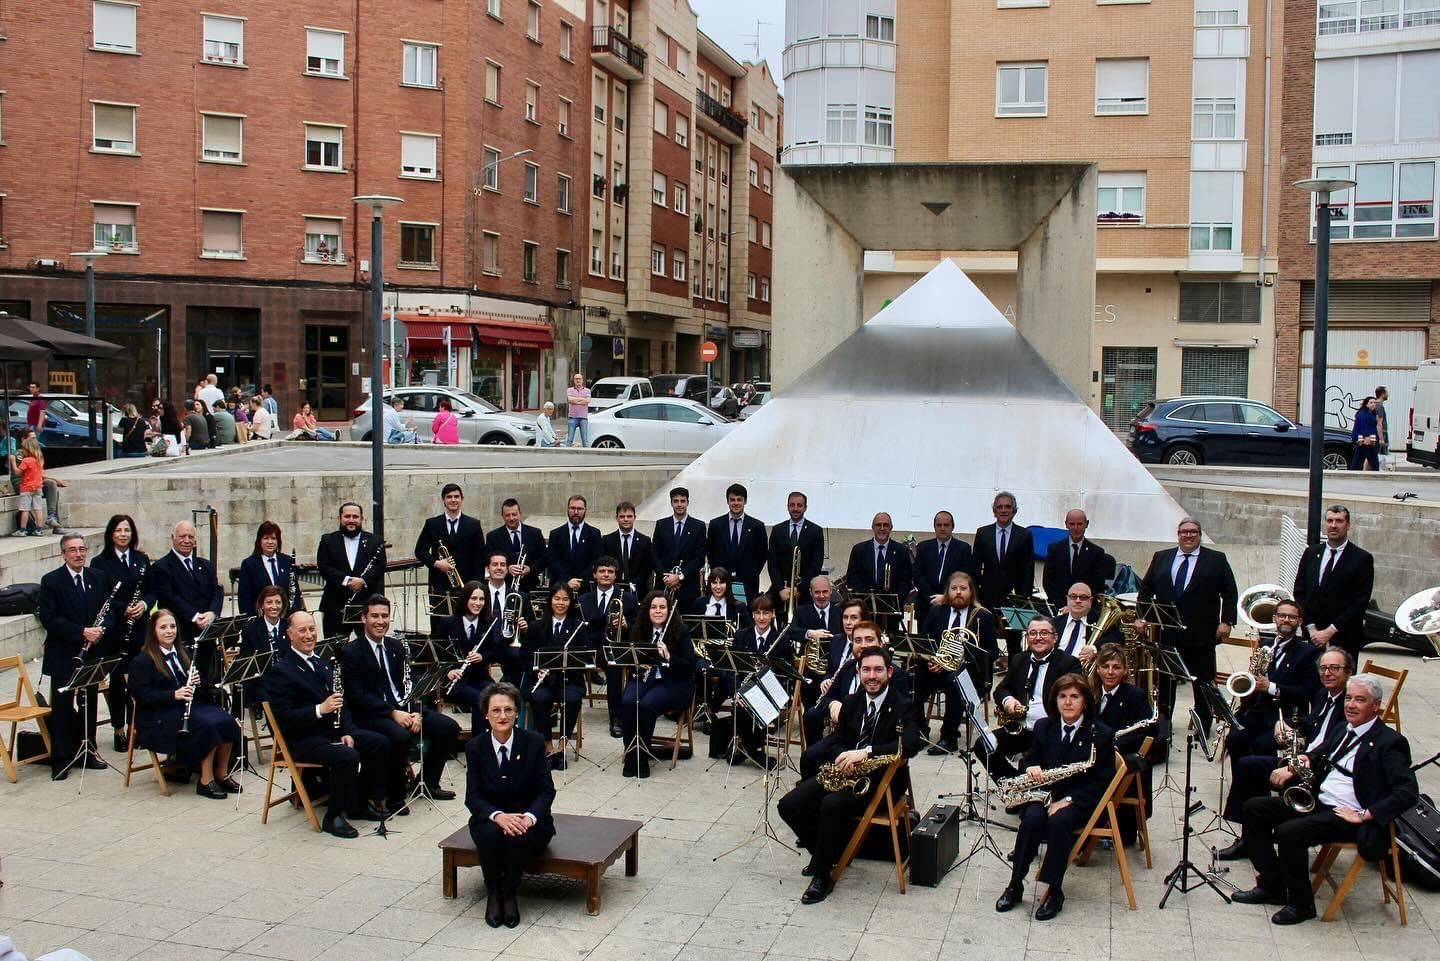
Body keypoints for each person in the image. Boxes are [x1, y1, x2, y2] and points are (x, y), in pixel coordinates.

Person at [1233, 674, 1418, 925]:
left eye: (1360, 700)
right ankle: (1273, 885)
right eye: (1349, 698)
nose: (1351, 705)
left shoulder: (1390, 742)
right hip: (1319, 800)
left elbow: (1407, 792)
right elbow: (1323, 751)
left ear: (1376, 706)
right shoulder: (1344, 728)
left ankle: (1301, 904)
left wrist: (1365, 814)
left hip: (1348, 813)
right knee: (1254, 808)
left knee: (1290, 832)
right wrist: (1304, 760)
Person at [777, 646, 921, 905]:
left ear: (889, 671)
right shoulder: (853, 702)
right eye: (866, 670)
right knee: (788, 805)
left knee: (830, 805)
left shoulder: (904, 705)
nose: (872, 676)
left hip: (879, 782)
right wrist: (844, 754)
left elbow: (910, 745)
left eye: (878, 670)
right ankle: (826, 853)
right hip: (845, 774)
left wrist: (865, 753)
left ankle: (822, 877)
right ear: (859, 672)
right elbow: (837, 739)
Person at [994, 672, 1116, 921]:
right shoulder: (1044, 727)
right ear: (1055, 700)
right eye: (1062, 696)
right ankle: (1016, 883)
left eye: (1074, 696)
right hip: (1046, 793)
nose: (1068, 702)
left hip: (1080, 798)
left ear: (1085, 702)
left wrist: (1068, 801)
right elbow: (1030, 759)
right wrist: (1029, 767)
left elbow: (1102, 781)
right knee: (1031, 819)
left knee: (1059, 821)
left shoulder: (1100, 734)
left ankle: (1055, 889)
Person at [262, 611, 391, 838]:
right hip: (302, 738)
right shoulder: (282, 670)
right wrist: (320, 710)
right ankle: (334, 816)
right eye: (302, 630)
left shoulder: (320, 661)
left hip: (329, 731)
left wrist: (346, 731)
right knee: (348, 757)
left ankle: (358, 802)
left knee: (378, 743)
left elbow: (342, 703)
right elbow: (285, 718)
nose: (309, 635)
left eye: (312, 629)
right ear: (289, 634)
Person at [340, 595, 460, 808]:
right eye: (374, 616)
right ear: (363, 618)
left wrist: (416, 712)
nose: (380, 621)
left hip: (403, 708)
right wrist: (392, 713)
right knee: (400, 735)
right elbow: (357, 696)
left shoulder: (396, 646)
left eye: (385, 616)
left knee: (449, 727)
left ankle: (428, 783)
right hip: (372, 714)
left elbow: (408, 683)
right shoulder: (351, 651)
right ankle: (396, 796)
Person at [464, 683, 557, 929]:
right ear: (486, 714)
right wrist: (497, 816)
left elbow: (546, 790)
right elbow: (472, 797)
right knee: (491, 835)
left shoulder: (534, 742)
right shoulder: (475, 747)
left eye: (508, 710)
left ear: (517, 713)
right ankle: (493, 893)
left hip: (529, 820)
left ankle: (509, 893)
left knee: (518, 835)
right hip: (491, 818)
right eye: (496, 710)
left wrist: (529, 817)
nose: (502, 716)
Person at [1135, 516, 1238, 734]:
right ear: (1178, 534)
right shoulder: (1162, 557)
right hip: (1167, 634)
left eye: (1193, 532)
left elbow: (1229, 592)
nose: (1188, 535)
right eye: (1184, 532)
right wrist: (1141, 616)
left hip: (1201, 634)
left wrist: (1226, 621)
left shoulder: (1216, 559)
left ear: (1199, 535)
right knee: (1165, 683)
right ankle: (1163, 725)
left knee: (1202, 682)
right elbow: (1145, 589)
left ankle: (1203, 724)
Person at [129, 609, 241, 798]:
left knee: (228, 720)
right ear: (153, 631)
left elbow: (201, 688)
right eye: (163, 627)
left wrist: (199, 681)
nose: (169, 631)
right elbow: (143, 696)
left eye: (172, 626)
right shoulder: (142, 661)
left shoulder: (184, 652)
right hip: (159, 716)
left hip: (187, 708)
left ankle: (221, 773)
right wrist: (174, 695)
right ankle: (206, 780)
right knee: (208, 725)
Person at [37, 532, 116, 779]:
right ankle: (61, 759)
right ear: (63, 554)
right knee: (62, 706)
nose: (78, 554)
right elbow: (49, 618)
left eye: (82, 549)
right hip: (64, 653)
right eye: (72, 550)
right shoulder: (51, 581)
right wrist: (81, 631)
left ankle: (88, 751)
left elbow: (110, 610)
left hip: (92, 652)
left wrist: (102, 629)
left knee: (89, 703)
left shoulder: (98, 577)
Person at [801, 620, 914, 772]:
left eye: (869, 639)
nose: (863, 645)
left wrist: (864, 752)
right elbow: (826, 698)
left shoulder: (896, 675)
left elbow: (901, 724)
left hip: (876, 744)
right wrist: (833, 704)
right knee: (808, 757)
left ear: (881, 643)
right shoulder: (848, 667)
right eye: (858, 640)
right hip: (845, 737)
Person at [980, 615, 1083, 781]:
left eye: (1044, 633)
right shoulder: (1020, 659)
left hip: (1051, 732)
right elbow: (1001, 689)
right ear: (1027, 638)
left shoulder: (1069, 663)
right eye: (1033, 633)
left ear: (1055, 637)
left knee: (1029, 767)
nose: (1038, 637)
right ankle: (1012, 784)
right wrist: (1008, 700)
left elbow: (1075, 700)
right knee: (983, 745)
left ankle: (1023, 788)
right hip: (1023, 728)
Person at [90, 514, 154, 753]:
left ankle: (135, 727)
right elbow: (101, 596)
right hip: (115, 630)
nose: (123, 535)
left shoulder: (141, 559)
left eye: (127, 530)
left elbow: (151, 590)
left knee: (139, 680)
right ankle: (119, 729)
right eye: (119, 530)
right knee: (117, 682)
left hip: (139, 629)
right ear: (111, 534)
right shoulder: (100, 562)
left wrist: (144, 605)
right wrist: (122, 609)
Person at [919, 571, 998, 755]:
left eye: (963, 588)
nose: (958, 592)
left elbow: (993, 651)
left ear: (971, 592)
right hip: (938, 669)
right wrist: (932, 660)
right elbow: (925, 641)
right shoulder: (937, 611)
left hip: (968, 673)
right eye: (954, 588)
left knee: (954, 681)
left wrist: (967, 658)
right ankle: (920, 730)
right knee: (913, 678)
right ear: (948, 591)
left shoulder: (983, 616)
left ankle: (949, 737)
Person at [619, 591, 695, 778]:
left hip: (672, 683)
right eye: (654, 607)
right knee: (628, 702)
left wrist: (669, 656)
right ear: (647, 610)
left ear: (669, 611)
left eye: (662, 607)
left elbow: (689, 666)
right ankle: (631, 753)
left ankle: (642, 757)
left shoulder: (680, 631)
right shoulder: (639, 629)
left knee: (646, 705)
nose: (658, 611)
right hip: (644, 678)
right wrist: (637, 662)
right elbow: (629, 657)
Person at [150, 521, 224, 693]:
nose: (186, 540)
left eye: (190, 537)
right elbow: (169, 597)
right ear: (173, 538)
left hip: (206, 636)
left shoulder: (206, 566)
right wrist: (195, 616)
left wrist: (212, 614)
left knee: (208, 684)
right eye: (182, 536)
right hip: (181, 635)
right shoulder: (161, 567)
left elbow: (217, 591)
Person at [1291, 505, 1375, 657]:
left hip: (1344, 639)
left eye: (1339, 521)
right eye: (1330, 521)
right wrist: (1311, 628)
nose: (1333, 525)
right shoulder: (1311, 553)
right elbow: (1299, 592)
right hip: (1312, 637)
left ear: (1348, 525)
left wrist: (1329, 631)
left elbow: (1359, 602)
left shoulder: (1362, 559)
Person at [520, 584, 586, 770]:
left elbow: (585, 657)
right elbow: (525, 657)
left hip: (569, 679)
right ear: (550, 600)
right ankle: (548, 746)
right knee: (540, 698)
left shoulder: (577, 626)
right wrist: (536, 669)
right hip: (542, 681)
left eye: (565, 599)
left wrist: (568, 666)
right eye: (557, 598)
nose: (561, 603)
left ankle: (561, 748)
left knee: (572, 699)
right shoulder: (536, 626)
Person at [712, 594, 781, 766]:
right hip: (745, 689)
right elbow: (733, 670)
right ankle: (753, 751)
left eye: (766, 613)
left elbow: (782, 676)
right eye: (757, 613)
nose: (762, 618)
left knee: (752, 706)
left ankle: (746, 749)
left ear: (773, 614)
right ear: (752, 615)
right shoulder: (742, 635)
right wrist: (737, 692)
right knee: (741, 706)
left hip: (768, 692)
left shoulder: (781, 640)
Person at [972, 491, 1035, 666]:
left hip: (1013, 598)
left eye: (1007, 506)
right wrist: (976, 599)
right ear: (994, 510)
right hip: (987, 597)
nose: (1003, 510)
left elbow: (1028, 570)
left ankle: (1015, 675)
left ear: (1014, 510)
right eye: (999, 507)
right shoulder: (983, 533)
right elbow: (975, 568)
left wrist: (1023, 601)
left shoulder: (1024, 535)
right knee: (985, 640)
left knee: (1014, 641)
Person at [415, 484, 484, 634]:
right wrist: (437, 563)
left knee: (465, 626)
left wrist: (477, 586)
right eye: (449, 497)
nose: (453, 500)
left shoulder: (474, 525)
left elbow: (480, 559)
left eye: (456, 497)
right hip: (439, 586)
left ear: (462, 499)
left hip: (465, 586)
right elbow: (419, 550)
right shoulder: (432, 524)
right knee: (439, 627)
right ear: (443, 500)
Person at [316, 502, 387, 639]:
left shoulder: (375, 541)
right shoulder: (327, 540)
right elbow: (324, 566)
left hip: (366, 604)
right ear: (339, 518)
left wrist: (363, 581)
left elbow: (380, 566)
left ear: (362, 519)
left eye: (355, 516)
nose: (351, 520)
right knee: (335, 650)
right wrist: (347, 581)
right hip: (335, 605)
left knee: (368, 647)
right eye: (347, 516)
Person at [440, 581, 498, 735]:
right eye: (473, 598)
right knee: (481, 698)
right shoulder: (448, 623)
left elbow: (493, 650)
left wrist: (482, 657)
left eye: (481, 599)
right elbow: (438, 655)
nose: (478, 603)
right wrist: (448, 672)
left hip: (479, 677)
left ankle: (491, 738)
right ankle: (479, 744)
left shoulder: (488, 622)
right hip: (455, 680)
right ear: (465, 599)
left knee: (496, 695)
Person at [842, 512, 914, 619]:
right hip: (865, 609)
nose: (882, 528)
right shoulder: (859, 550)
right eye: (878, 525)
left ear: (891, 528)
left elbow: (906, 580)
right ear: (872, 527)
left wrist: (896, 600)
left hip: (891, 610)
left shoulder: (901, 551)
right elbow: (852, 577)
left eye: (885, 525)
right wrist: (868, 597)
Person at [705, 483, 768, 604]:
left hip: (747, 583)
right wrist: (719, 574)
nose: (736, 503)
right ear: (727, 501)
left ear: (745, 501)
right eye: (732, 499)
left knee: (743, 618)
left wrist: (752, 572)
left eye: (739, 500)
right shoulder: (716, 525)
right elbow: (710, 552)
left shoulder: (756, 526)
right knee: (722, 615)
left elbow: (762, 554)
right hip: (721, 583)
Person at [1042, 510, 1116, 610]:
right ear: (1066, 524)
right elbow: (1048, 581)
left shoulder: (1096, 553)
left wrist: (1079, 606)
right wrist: (1062, 606)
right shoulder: (1055, 549)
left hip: (1085, 609)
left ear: (1087, 524)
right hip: (1060, 608)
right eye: (1072, 524)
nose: (1076, 528)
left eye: (1079, 524)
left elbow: (1097, 586)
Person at [913, 510, 973, 631]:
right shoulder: (924, 547)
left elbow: (964, 577)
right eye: (939, 525)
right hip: (926, 606)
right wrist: (932, 598)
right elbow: (918, 575)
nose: (942, 528)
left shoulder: (963, 549)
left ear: (952, 527)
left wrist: (946, 597)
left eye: (946, 525)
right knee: (926, 646)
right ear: (934, 527)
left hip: (952, 607)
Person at [767, 491, 825, 614]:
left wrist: (799, 589)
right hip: (781, 592)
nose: (795, 508)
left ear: (805, 507)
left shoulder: (816, 531)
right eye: (792, 505)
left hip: (804, 594)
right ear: (787, 506)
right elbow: (772, 563)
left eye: (799, 505)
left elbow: (816, 565)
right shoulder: (777, 530)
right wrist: (780, 589)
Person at [652, 486, 706, 606]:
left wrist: (680, 577)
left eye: (682, 501)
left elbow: (699, 558)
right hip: (663, 587)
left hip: (688, 588)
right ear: (671, 503)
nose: (679, 504)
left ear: (688, 502)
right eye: (676, 501)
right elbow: (655, 554)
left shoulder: (698, 526)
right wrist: (666, 578)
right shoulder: (661, 525)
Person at [237, 521, 304, 618]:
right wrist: (250, 622)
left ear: (278, 541)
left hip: (285, 618)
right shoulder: (249, 564)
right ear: (259, 540)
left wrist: (294, 616)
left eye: (273, 538)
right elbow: (244, 598)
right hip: (260, 619)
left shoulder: (287, 561)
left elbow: (294, 591)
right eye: (266, 538)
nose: (270, 542)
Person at [485, 498, 549, 597]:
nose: (511, 518)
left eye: (514, 514)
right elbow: (488, 561)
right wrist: (507, 568)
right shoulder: (493, 537)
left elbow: (544, 558)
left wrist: (530, 569)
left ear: (520, 513)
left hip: (530, 586)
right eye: (507, 515)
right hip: (504, 586)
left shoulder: (535, 533)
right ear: (502, 516)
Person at [1050, 582, 1123, 664]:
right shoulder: (1054, 622)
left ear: (1090, 600)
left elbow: (1117, 637)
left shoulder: (1101, 621)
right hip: (1054, 669)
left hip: (1081, 672)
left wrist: (1095, 649)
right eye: (1073, 597)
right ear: (1067, 599)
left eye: (1083, 597)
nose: (1078, 601)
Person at [547, 494, 603, 593]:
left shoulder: (594, 534)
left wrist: (579, 581)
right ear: (567, 509)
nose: (576, 512)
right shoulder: (555, 534)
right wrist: (567, 581)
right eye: (572, 508)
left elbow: (595, 561)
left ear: (585, 510)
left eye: (579, 509)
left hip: (585, 588)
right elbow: (553, 561)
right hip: (561, 587)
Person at [602, 501, 654, 596]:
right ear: (616, 518)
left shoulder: (645, 541)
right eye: (622, 516)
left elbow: (647, 567)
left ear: (635, 517)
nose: (626, 519)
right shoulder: (607, 540)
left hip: (638, 590)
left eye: (629, 516)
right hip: (612, 589)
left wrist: (635, 584)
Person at [12, 435, 44, 536]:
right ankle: (39, 529)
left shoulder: (26, 461)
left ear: (28, 449)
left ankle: (22, 530)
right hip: (38, 487)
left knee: (25, 509)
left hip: (26, 488)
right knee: (38, 508)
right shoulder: (39, 460)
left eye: (24, 449)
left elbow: (17, 472)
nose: (22, 451)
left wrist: (13, 461)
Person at [1348, 396, 1380, 471]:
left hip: (1365, 440)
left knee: (1358, 459)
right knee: (1373, 460)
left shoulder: (1371, 414)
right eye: (1371, 402)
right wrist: (1367, 438)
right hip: (1364, 440)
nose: (1373, 404)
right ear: (1366, 404)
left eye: (1375, 403)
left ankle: (1353, 472)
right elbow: (1364, 427)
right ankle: (1376, 473)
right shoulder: (1364, 415)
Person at [565, 373, 590, 447]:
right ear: (574, 380)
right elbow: (570, 400)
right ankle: (567, 453)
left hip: (583, 418)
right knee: (570, 439)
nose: (578, 380)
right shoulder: (569, 390)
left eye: (579, 379)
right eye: (576, 379)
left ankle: (586, 454)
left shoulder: (587, 391)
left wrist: (575, 400)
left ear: (582, 380)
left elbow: (587, 401)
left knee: (585, 439)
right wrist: (582, 399)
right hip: (572, 417)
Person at [1374, 385, 1390, 467]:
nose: (1388, 394)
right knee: (1380, 455)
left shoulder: (1375, 404)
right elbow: (1379, 423)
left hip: (1378, 433)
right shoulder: (1379, 406)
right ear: (1382, 394)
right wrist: (1381, 439)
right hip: (1381, 433)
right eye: (1386, 392)